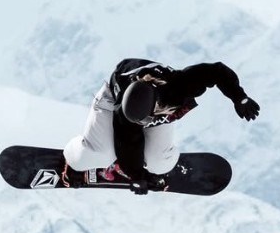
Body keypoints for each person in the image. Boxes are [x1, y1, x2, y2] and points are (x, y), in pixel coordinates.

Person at [62, 58, 260, 194]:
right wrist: (135, 174)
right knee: (96, 155)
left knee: (159, 163)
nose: (143, 125)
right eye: (141, 122)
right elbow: (128, 140)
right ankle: (75, 155)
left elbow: (217, 71)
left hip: (153, 103)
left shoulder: (181, 86)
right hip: (111, 102)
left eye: (145, 121)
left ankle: (149, 162)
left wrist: (239, 97)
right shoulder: (127, 113)